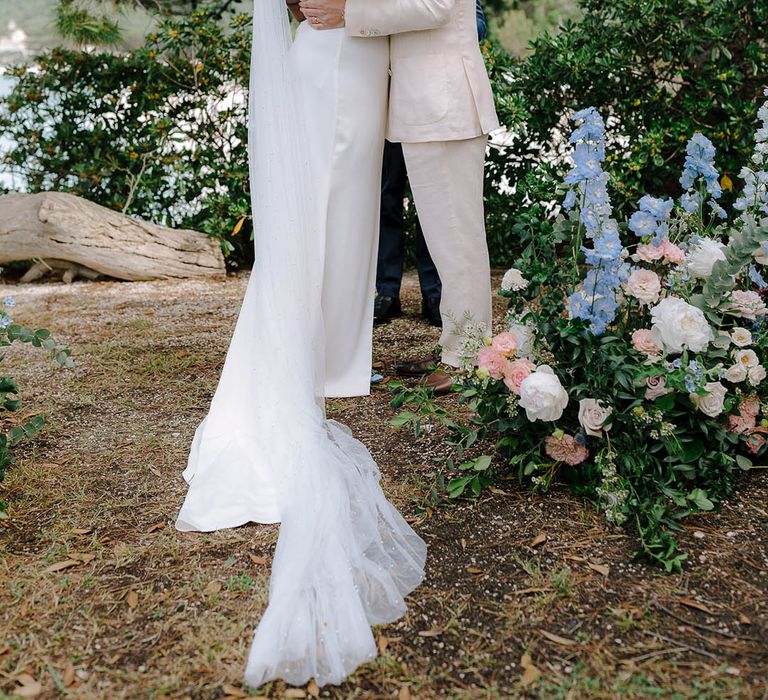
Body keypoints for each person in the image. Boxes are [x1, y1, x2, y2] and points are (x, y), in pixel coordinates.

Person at [176, 0, 426, 689]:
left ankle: (311, 359)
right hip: (338, 58)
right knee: (320, 219)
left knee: (334, 223)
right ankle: (296, 368)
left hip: (349, 55)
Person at [302, 0, 500, 382]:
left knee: (458, 240)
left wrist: (347, 13)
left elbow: (435, 6)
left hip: (446, 102)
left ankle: (468, 361)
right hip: (426, 104)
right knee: (448, 242)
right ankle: (456, 346)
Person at [374, 0, 488, 328]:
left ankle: (435, 293)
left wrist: (352, 14)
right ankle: (386, 288)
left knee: (443, 213)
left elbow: (457, 14)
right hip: (381, 93)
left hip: (435, 94)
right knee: (384, 193)